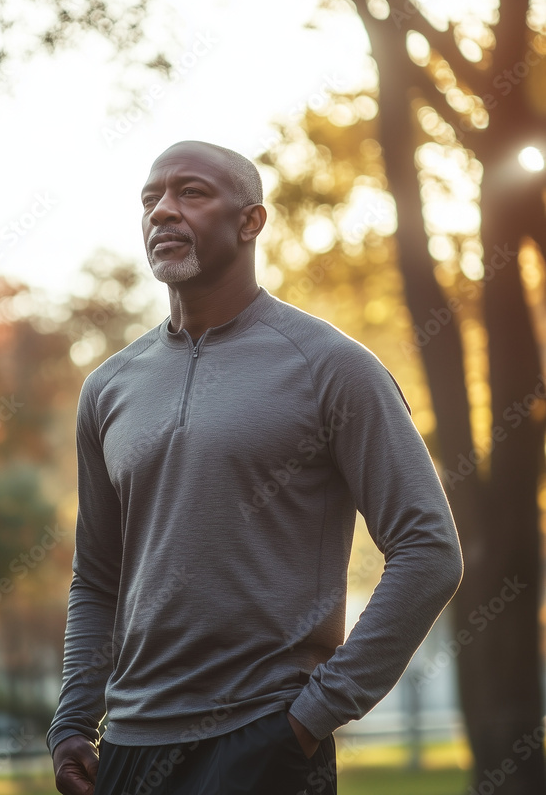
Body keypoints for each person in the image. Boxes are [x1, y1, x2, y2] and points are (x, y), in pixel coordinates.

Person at [48, 139, 464, 795]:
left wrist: (308, 719)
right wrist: (74, 720)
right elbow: (98, 576)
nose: (162, 211)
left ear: (251, 222)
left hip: (264, 739)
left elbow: (428, 550)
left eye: (190, 193)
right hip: (127, 745)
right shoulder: (108, 387)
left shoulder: (331, 367)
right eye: (149, 198)